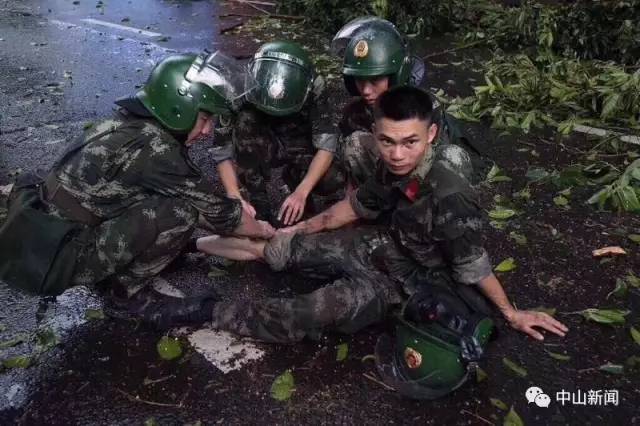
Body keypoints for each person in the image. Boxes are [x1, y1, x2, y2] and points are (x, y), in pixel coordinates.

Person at [148, 86, 568, 344]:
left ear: (432, 135)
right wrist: (299, 229)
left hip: (403, 286)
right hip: (381, 245)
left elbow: (473, 266)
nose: (397, 154)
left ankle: (207, 311)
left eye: (409, 142)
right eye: (387, 140)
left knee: (305, 314)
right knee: (278, 248)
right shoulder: (390, 164)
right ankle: (191, 244)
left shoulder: (450, 193)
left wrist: (511, 312)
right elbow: (350, 208)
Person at [0, 52, 274, 298]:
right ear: (180, 108)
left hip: (40, 237)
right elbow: (222, 215)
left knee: (172, 202)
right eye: (204, 119)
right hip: (54, 260)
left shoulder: (127, 123)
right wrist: (262, 230)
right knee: (179, 213)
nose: (207, 131)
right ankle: (122, 292)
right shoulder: (158, 150)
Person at [331, 17, 488, 187]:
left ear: (394, 77)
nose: (366, 91)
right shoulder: (355, 112)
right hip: (385, 178)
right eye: (360, 81)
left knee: (452, 157)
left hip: (424, 182)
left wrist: (407, 200)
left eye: (375, 81)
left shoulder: (423, 107)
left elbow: (428, 163)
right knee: (353, 144)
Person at [211, 41, 344, 226]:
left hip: (298, 138)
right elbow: (221, 149)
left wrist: (302, 192)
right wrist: (234, 195)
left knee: (334, 177)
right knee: (245, 120)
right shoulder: (237, 86)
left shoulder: (314, 84)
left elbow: (327, 144)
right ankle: (259, 200)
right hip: (259, 136)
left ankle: (297, 181)